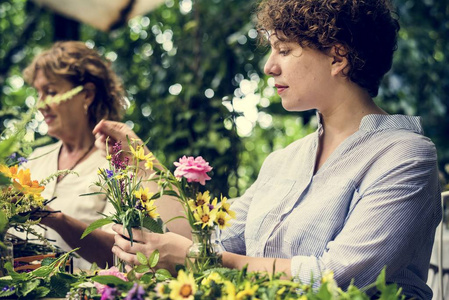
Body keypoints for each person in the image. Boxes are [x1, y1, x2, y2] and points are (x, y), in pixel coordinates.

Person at [97, 0, 441, 298]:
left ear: (338, 58)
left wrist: (199, 259)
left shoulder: (404, 156)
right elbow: (207, 236)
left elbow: (338, 278)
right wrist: (141, 164)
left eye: (285, 49)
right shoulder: (284, 161)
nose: (269, 66)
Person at [17, 41, 189, 269]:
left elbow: (122, 253)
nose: (40, 105)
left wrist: (54, 217)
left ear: (87, 94)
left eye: (50, 92)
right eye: (38, 93)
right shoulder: (35, 159)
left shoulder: (119, 164)